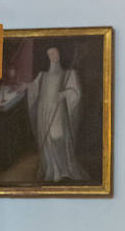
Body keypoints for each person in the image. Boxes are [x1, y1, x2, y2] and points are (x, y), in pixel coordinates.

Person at [25, 45, 86, 184]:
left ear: (59, 55)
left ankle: (63, 169)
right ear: (47, 57)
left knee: (57, 136)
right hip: (44, 110)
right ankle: (52, 170)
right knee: (46, 140)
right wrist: (25, 86)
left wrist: (64, 94)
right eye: (50, 54)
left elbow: (76, 92)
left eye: (55, 53)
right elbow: (33, 87)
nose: (53, 56)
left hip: (58, 111)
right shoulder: (43, 75)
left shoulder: (68, 74)